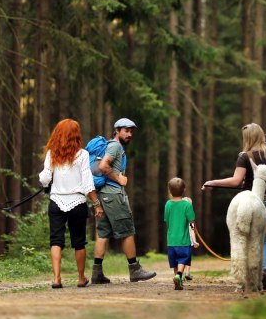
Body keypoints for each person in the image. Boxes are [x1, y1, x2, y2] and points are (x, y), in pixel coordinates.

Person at [202, 123, 266, 290]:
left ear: (247, 138)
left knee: (242, 238)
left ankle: (243, 277)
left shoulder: (244, 156)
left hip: (249, 199)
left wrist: (212, 182)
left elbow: (236, 181)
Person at [39, 119, 104, 289]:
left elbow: (45, 178)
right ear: (76, 135)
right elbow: (88, 183)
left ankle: (56, 279)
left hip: (56, 201)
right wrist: (97, 204)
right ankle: (81, 278)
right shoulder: (82, 155)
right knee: (79, 242)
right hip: (77, 203)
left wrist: (46, 184)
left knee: (56, 240)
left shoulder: (52, 153)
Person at [91, 118, 157, 283]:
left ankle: (96, 273)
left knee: (103, 233)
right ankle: (135, 269)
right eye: (126, 131)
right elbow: (103, 166)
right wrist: (118, 179)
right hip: (113, 195)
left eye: (131, 132)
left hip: (103, 195)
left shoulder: (110, 146)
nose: (129, 134)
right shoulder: (115, 146)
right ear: (117, 131)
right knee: (127, 231)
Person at [164, 178, 198, 290]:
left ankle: (177, 279)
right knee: (183, 259)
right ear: (184, 190)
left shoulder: (168, 204)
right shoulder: (187, 205)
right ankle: (179, 275)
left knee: (174, 262)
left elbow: (167, 221)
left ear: (169, 190)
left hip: (171, 240)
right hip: (183, 241)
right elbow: (192, 222)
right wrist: (193, 231)